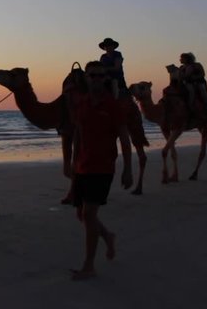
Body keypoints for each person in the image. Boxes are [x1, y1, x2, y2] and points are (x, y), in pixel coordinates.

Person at [69, 61, 132, 280]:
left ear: (105, 78)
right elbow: (77, 134)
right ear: (86, 77)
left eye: (100, 76)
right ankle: (108, 236)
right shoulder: (82, 104)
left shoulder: (112, 106)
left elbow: (124, 137)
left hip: (103, 167)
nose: (96, 79)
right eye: (92, 75)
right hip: (83, 166)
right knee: (82, 214)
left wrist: (128, 169)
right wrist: (71, 162)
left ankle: (89, 266)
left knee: (88, 213)